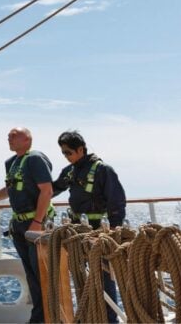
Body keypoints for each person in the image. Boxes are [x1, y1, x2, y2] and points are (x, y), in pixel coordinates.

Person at [53, 130, 126, 323]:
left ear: (81, 149)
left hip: (99, 235)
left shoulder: (103, 170)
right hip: (78, 235)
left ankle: (110, 320)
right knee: (83, 280)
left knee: (103, 279)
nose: (66, 157)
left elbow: (117, 203)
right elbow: (53, 189)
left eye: (69, 152)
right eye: (63, 153)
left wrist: (112, 235)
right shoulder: (70, 171)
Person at [0, 127, 54, 324]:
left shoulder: (35, 159)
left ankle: (47, 318)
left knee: (42, 274)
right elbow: (9, 189)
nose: (8, 138)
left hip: (35, 224)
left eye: (13, 135)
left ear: (27, 139)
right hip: (19, 225)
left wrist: (37, 222)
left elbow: (47, 191)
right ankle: (38, 318)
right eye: (8, 135)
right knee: (32, 275)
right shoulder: (11, 163)